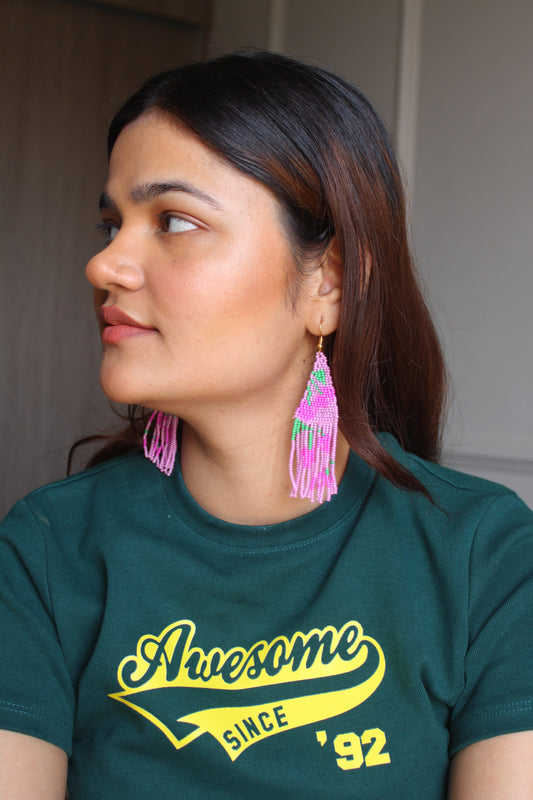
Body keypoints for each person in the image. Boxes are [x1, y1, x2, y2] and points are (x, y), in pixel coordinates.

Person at [0, 51, 532, 800]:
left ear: (330, 283)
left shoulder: (486, 556)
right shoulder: (48, 549)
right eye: (111, 224)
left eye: (174, 220)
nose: (104, 264)